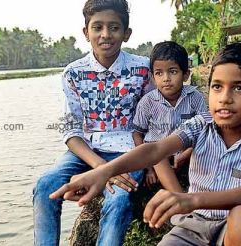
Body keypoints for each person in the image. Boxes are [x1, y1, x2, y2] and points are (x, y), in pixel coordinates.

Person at [50, 42, 241, 246]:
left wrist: (189, 199)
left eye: (239, 88)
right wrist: (103, 172)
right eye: (217, 86)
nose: (224, 97)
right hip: (193, 225)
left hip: (233, 228)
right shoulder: (200, 124)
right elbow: (154, 149)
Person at [32, 0, 152, 245]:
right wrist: (99, 167)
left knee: (118, 198)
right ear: (86, 32)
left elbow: (155, 119)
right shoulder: (73, 73)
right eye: (97, 27)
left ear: (126, 34)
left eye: (114, 27)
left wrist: (148, 162)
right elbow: (71, 129)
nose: (105, 35)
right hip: (86, 151)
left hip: (129, 152)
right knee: (45, 186)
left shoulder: (143, 69)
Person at [133, 41, 207, 191]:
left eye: (172, 71)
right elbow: (137, 134)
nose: (166, 78)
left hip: (188, 152)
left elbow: (205, 130)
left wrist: (186, 154)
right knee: (158, 156)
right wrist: (148, 168)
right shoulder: (147, 102)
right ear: (153, 77)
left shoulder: (195, 97)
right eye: (159, 73)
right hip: (157, 157)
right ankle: (178, 197)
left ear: (185, 75)